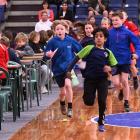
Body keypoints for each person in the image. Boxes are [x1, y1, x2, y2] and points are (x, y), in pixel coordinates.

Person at [66, 27, 117, 132]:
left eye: (101, 36)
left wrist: (110, 69)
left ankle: (101, 121)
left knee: (102, 100)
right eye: (96, 36)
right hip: (89, 79)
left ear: (105, 39)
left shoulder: (108, 52)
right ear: (94, 38)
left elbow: (115, 67)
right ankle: (89, 97)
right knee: (88, 102)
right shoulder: (89, 48)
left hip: (103, 80)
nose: (98, 38)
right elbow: (75, 59)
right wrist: (68, 71)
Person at [44, 20, 82, 117]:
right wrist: (48, 54)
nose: (60, 31)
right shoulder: (52, 42)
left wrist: (79, 58)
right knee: (62, 92)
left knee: (69, 86)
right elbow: (46, 55)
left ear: (66, 30)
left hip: (68, 68)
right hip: (57, 69)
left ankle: (70, 108)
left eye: (62, 29)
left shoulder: (70, 40)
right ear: (54, 31)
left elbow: (80, 50)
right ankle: (62, 103)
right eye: (57, 29)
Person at [106, 11, 140, 112]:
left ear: (122, 20)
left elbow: (138, 44)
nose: (114, 22)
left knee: (125, 81)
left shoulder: (128, 32)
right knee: (116, 83)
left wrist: (137, 54)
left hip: (125, 60)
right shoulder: (109, 32)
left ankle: (126, 102)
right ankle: (120, 90)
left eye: (116, 20)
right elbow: (106, 46)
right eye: (112, 20)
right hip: (113, 62)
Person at [122, 10, 139, 90]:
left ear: (126, 17)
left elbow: (136, 32)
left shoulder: (130, 24)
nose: (122, 16)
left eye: (123, 15)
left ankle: (135, 79)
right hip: (120, 50)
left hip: (130, 49)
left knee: (132, 66)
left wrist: (128, 35)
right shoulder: (115, 26)